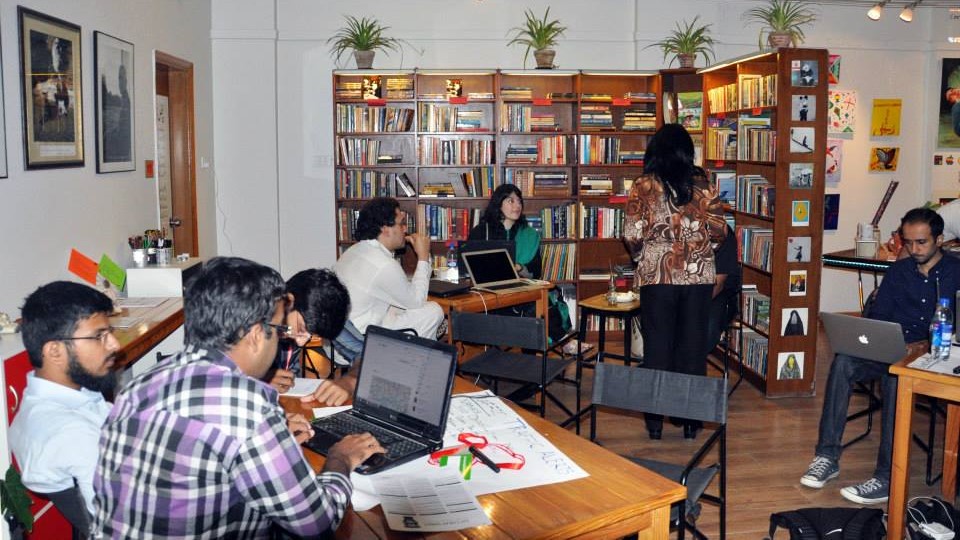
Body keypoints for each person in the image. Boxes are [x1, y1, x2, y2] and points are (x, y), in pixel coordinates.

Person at [93, 257, 385, 537]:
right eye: (280, 329)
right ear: (257, 335)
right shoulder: (248, 411)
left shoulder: (136, 388)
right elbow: (316, 523)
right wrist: (340, 458)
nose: (291, 338)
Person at [800, 208, 960, 505]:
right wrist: (879, 338)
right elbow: (881, 315)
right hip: (894, 346)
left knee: (895, 379)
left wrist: (923, 343)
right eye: (907, 242)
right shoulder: (899, 271)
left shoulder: (955, 273)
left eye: (921, 242)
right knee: (844, 362)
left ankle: (886, 477)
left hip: (935, 353)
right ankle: (827, 456)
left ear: (940, 239)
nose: (913, 249)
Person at [623, 123, 726, 440]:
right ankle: (691, 422)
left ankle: (655, 423)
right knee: (692, 349)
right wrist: (700, 251)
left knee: (658, 347)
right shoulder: (703, 186)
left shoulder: (642, 186)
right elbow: (721, 231)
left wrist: (645, 256)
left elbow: (631, 234)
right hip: (698, 278)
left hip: (658, 277)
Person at [9, 281, 119, 531]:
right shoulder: (74, 434)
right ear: (55, 351)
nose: (114, 344)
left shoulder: (46, 396)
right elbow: (125, 528)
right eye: (99, 336)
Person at [467, 184, 586, 352]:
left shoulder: (529, 234)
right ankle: (564, 341)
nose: (517, 206)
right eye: (510, 201)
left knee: (539, 300)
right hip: (488, 295)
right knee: (533, 306)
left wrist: (518, 267)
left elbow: (536, 273)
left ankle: (556, 345)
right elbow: (470, 265)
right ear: (498, 204)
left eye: (519, 201)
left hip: (520, 292)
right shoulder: (480, 232)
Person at [333, 197, 444, 340]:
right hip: (359, 341)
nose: (405, 229)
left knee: (396, 308)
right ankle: (414, 359)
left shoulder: (354, 250)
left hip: (340, 338)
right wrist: (423, 257)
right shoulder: (383, 263)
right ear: (385, 229)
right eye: (401, 224)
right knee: (433, 311)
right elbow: (417, 302)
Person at [267, 268, 350, 395]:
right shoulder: (248, 319)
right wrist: (256, 379)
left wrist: (349, 382)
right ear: (289, 300)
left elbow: (363, 353)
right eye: (301, 328)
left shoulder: (315, 313)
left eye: (310, 336)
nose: (301, 342)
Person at [705, 224, 740, 354]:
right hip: (689, 288)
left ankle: (688, 365)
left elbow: (718, 284)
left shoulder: (721, 233)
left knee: (707, 324)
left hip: (718, 293)